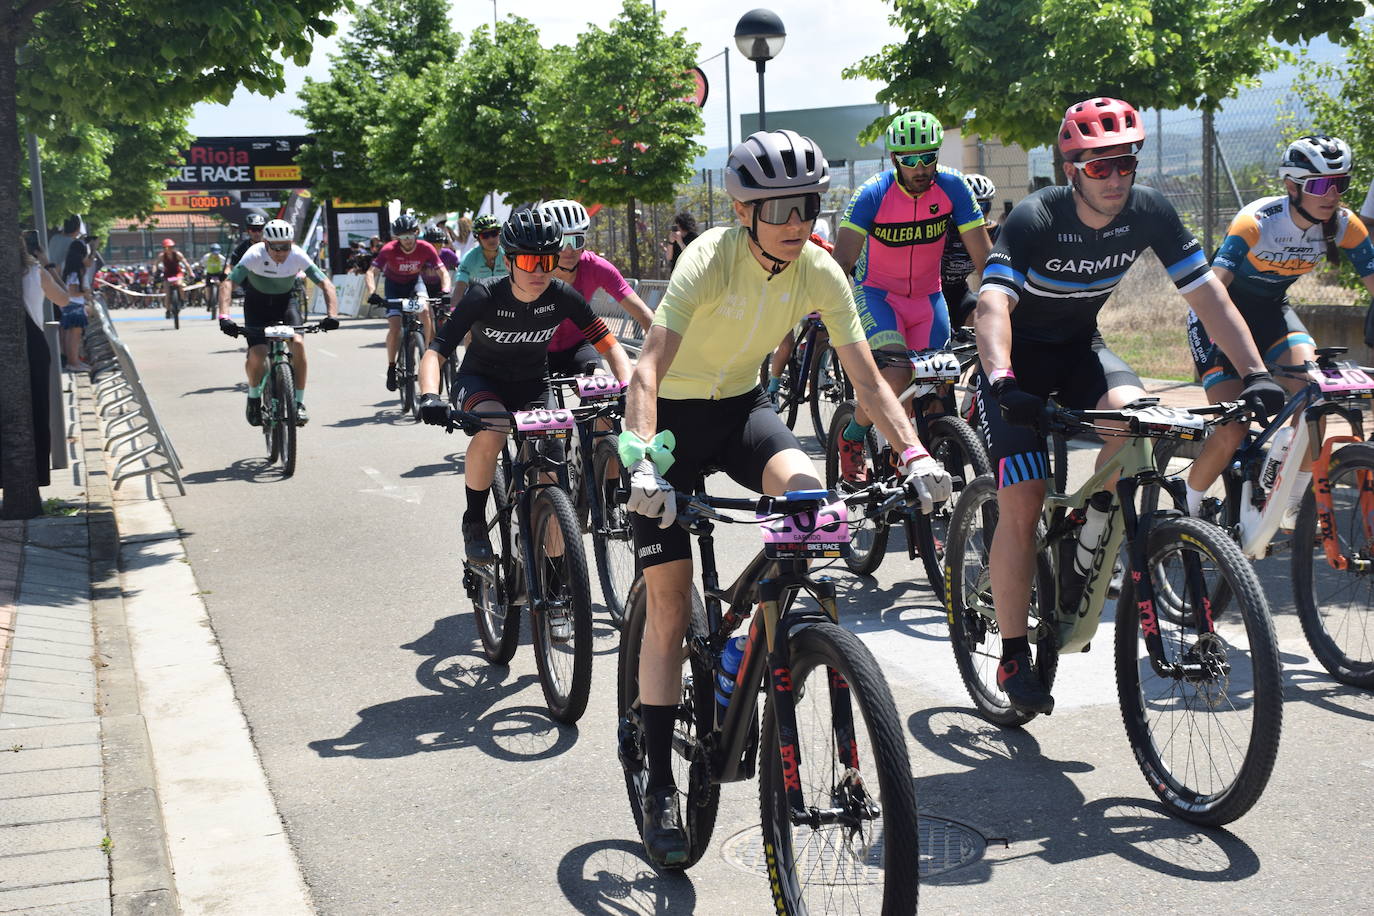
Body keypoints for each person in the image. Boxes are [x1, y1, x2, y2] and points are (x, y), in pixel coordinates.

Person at [620, 129, 952, 867]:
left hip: (739, 413)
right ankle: (656, 782)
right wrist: (643, 467)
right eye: (779, 209)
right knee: (671, 604)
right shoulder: (708, 258)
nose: (797, 221)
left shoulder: (819, 271)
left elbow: (866, 380)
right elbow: (646, 369)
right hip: (668, 426)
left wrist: (917, 453)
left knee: (813, 512)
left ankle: (746, 643)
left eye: (805, 204)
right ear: (744, 211)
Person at [972, 96, 1285, 715]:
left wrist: (1254, 373)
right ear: (1070, 168)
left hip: (1081, 349)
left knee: (1137, 422)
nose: (1115, 178)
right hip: (1016, 364)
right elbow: (991, 308)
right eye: (1098, 167)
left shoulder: (1150, 212)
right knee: (1023, 500)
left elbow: (1209, 300)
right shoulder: (1036, 219)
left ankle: (1090, 530)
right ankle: (1012, 653)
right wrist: (1004, 382)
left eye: (1125, 164)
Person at [415, 208, 634, 563]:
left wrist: (626, 386)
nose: (540, 271)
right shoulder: (484, 295)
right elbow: (436, 351)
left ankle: (557, 574)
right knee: (496, 427)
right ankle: (473, 519)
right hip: (481, 381)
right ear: (510, 259)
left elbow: (609, 345)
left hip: (534, 384)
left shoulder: (561, 296)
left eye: (547, 260)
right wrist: (428, 396)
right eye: (530, 261)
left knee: (550, 464)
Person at [1183, 134, 1374, 522]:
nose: (1332, 194)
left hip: (1272, 312)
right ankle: (1187, 506)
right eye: (1321, 184)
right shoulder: (1256, 221)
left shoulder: (1343, 225)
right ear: (1292, 186)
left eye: (1341, 183)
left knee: (1313, 398)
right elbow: (1212, 293)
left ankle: (1289, 504)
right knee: (1233, 427)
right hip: (1220, 316)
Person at [832, 110, 993, 482]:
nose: (920, 168)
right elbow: (841, 262)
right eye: (910, 160)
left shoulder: (953, 186)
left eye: (928, 157)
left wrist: (1003, 303)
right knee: (897, 375)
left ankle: (922, 468)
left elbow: (985, 259)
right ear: (894, 160)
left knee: (937, 389)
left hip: (927, 299)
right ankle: (853, 437)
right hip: (878, 296)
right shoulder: (872, 193)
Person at [217, 219, 340, 426]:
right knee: (258, 353)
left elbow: (326, 284)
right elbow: (228, 283)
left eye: (286, 246)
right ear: (266, 243)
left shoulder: (297, 255)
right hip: (257, 305)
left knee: (298, 344)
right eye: (277, 248)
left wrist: (332, 315)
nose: (282, 252)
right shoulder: (254, 254)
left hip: (286, 303)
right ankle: (254, 396)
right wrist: (224, 317)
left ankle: (299, 403)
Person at [537, 198, 654, 376]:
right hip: (536, 351)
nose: (569, 249)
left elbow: (644, 315)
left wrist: (658, 362)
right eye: (561, 241)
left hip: (577, 347)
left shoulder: (596, 267)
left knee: (601, 390)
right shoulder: (531, 271)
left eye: (577, 240)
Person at [12, 232, 71, 488]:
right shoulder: (35, 272)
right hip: (34, 346)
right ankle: (37, 473)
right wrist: (47, 263)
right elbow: (64, 298)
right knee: (38, 409)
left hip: (8, 345)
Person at [363, 214, 447, 392]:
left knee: (425, 310)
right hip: (393, 287)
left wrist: (446, 290)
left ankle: (427, 354)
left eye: (410, 236)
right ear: (396, 237)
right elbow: (371, 273)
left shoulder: (426, 248)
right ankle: (392, 367)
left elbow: (443, 272)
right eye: (402, 237)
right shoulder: (388, 249)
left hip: (414, 284)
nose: (407, 241)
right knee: (394, 327)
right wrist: (372, 293)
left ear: (417, 233)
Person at [944, 173, 1002, 329]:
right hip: (932, 294)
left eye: (985, 206)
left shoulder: (994, 231)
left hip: (959, 292)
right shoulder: (945, 228)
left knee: (990, 321)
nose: (979, 213)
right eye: (974, 206)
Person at [451, 214, 507, 302]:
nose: (491, 239)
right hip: (479, 302)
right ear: (478, 238)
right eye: (485, 235)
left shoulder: (509, 254)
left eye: (494, 233)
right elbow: (460, 286)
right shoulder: (470, 257)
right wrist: (453, 309)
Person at [59, 228, 92, 370]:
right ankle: (74, 362)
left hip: (68, 305)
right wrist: (86, 292)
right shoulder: (76, 270)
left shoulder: (67, 267)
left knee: (69, 335)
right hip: (75, 306)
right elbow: (73, 291)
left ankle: (72, 361)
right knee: (74, 337)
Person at [419, 225, 458, 301]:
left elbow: (462, 267)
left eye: (439, 245)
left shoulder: (447, 253)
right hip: (423, 287)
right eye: (431, 246)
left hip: (441, 287)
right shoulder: (420, 254)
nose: (435, 249)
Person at [158, 238, 193, 319]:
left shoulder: (178, 254)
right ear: (164, 248)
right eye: (167, 247)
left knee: (180, 285)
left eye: (171, 247)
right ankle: (167, 310)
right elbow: (155, 264)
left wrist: (191, 272)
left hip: (177, 273)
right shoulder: (162, 256)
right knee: (167, 293)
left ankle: (183, 300)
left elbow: (186, 263)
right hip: (167, 274)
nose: (169, 249)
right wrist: (154, 272)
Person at [662, 211, 698, 275]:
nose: (677, 226)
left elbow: (690, 256)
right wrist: (671, 242)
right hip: (676, 272)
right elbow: (669, 257)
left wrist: (680, 242)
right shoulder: (676, 237)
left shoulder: (694, 237)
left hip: (689, 272)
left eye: (678, 224)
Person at [200, 243, 228, 316]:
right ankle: (208, 301)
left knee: (222, 287)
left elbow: (226, 266)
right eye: (213, 253)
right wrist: (202, 270)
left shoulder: (222, 258)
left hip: (218, 274)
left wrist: (225, 273)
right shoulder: (206, 257)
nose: (215, 255)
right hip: (209, 274)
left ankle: (219, 300)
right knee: (207, 288)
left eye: (216, 253)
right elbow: (201, 264)